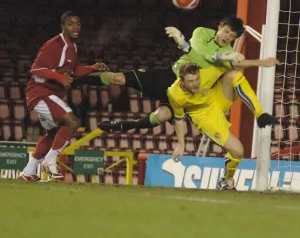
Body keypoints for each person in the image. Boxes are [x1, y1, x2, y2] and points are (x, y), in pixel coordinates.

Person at [89, 16, 277, 131]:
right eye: (226, 31)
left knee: (160, 116)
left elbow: (238, 62)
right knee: (119, 78)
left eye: (232, 36)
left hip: (185, 92)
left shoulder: (228, 53)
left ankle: (120, 126)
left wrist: (261, 63)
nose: (227, 37)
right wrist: (224, 55)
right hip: (170, 76)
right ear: (220, 26)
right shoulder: (202, 33)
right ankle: (84, 78)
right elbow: (200, 51)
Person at [20, 11, 108, 181]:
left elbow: (74, 71)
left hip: (49, 95)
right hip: (41, 93)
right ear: (62, 26)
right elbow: (36, 68)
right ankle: (50, 160)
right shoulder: (54, 44)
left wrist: (92, 67)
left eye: (78, 23)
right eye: (70, 23)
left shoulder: (72, 47)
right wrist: (59, 77)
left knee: (52, 135)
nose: (75, 26)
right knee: (72, 122)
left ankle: (27, 172)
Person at [167, 62, 247, 190]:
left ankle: (226, 181)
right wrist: (181, 145)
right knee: (238, 151)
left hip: (218, 102)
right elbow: (179, 118)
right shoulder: (174, 94)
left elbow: (232, 65)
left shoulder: (208, 73)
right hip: (205, 118)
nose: (196, 83)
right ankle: (227, 181)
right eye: (191, 81)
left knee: (232, 75)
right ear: (182, 81)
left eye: (197, 79)